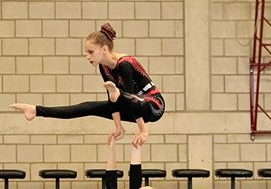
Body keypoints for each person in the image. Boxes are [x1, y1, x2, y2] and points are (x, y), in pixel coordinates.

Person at [10, 23, 164, 147]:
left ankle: (117, 94)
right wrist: (118, 127)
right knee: (89, 106)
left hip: (153, 105)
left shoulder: (125, 64)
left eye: (90, 52)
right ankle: (36, 111)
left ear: (104, 49)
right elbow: (113, 103)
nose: (86, 56)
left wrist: (143, 130)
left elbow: (132, 99)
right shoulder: (103, 66)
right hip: (130, 104)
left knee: (121, 96)